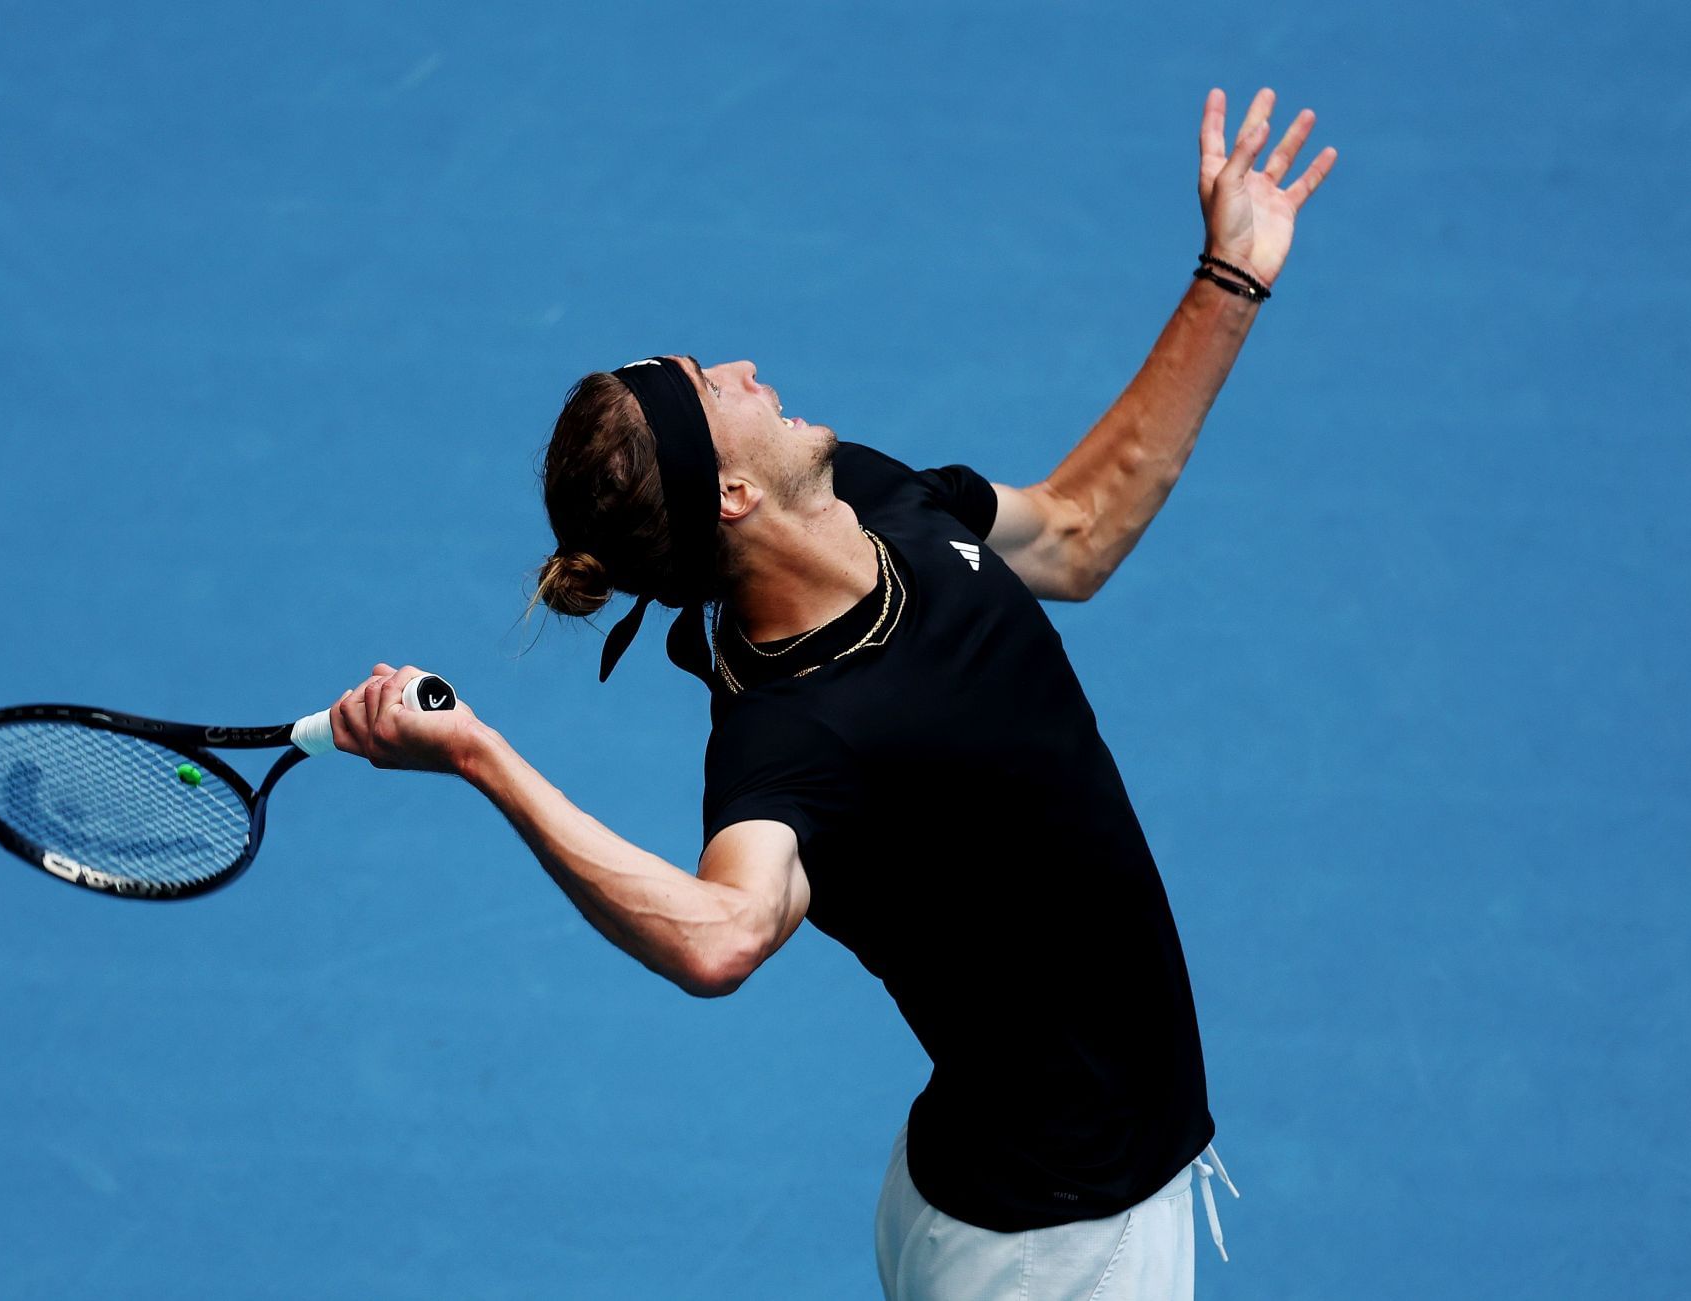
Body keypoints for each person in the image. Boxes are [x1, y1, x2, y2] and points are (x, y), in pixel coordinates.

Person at [330, 87, 1335, 1301]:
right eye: (718, 387)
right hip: (1053, 1247)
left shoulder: (868, 496)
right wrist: (485, 758)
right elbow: (724, 935)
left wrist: (1231, 272)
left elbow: (1079, 530)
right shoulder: (792, 735)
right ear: (735, 499)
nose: (750, 368)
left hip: (1011, 1178)